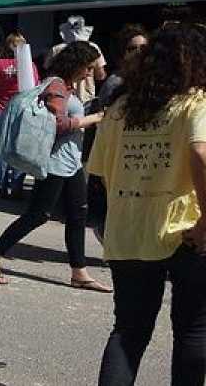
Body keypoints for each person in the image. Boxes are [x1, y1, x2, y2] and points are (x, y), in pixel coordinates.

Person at [87, 21, 206, 386]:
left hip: (131, 229)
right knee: (193, 331)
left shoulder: (120, 108)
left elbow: (102, 173)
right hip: (186, 230)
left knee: (129, 332)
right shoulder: (195, 102)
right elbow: (201, 156)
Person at [0, 41, 110, 291]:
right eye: (88, 68)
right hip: (54, 163)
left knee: (78, 215)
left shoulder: (65, 86)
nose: (89, 74)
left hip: (69, 162)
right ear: (77, 64)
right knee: (38, 215)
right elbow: (57, 125)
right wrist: (92, 119)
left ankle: (79, 272)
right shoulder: (56, 85)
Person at [87, 24, 148, 243]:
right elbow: (105, 125)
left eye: (144, 47)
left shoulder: (155, 81)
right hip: (122, 156)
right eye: (133, 48)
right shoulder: (115, 83)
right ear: (123, 54)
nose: (139, 52)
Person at [0, 33, 41, 200]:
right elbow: (35, 88)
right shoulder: (30, 65)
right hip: (21, 110)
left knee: (2, 149)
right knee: (19, 150)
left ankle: (2, 185)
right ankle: (16, 185)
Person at [45, 16, 107, 110]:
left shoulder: (55, 49)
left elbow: (48, 74)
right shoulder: (93, 48)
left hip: (62, 97)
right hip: (85, 99)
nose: (89, 72)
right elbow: (101, 76)